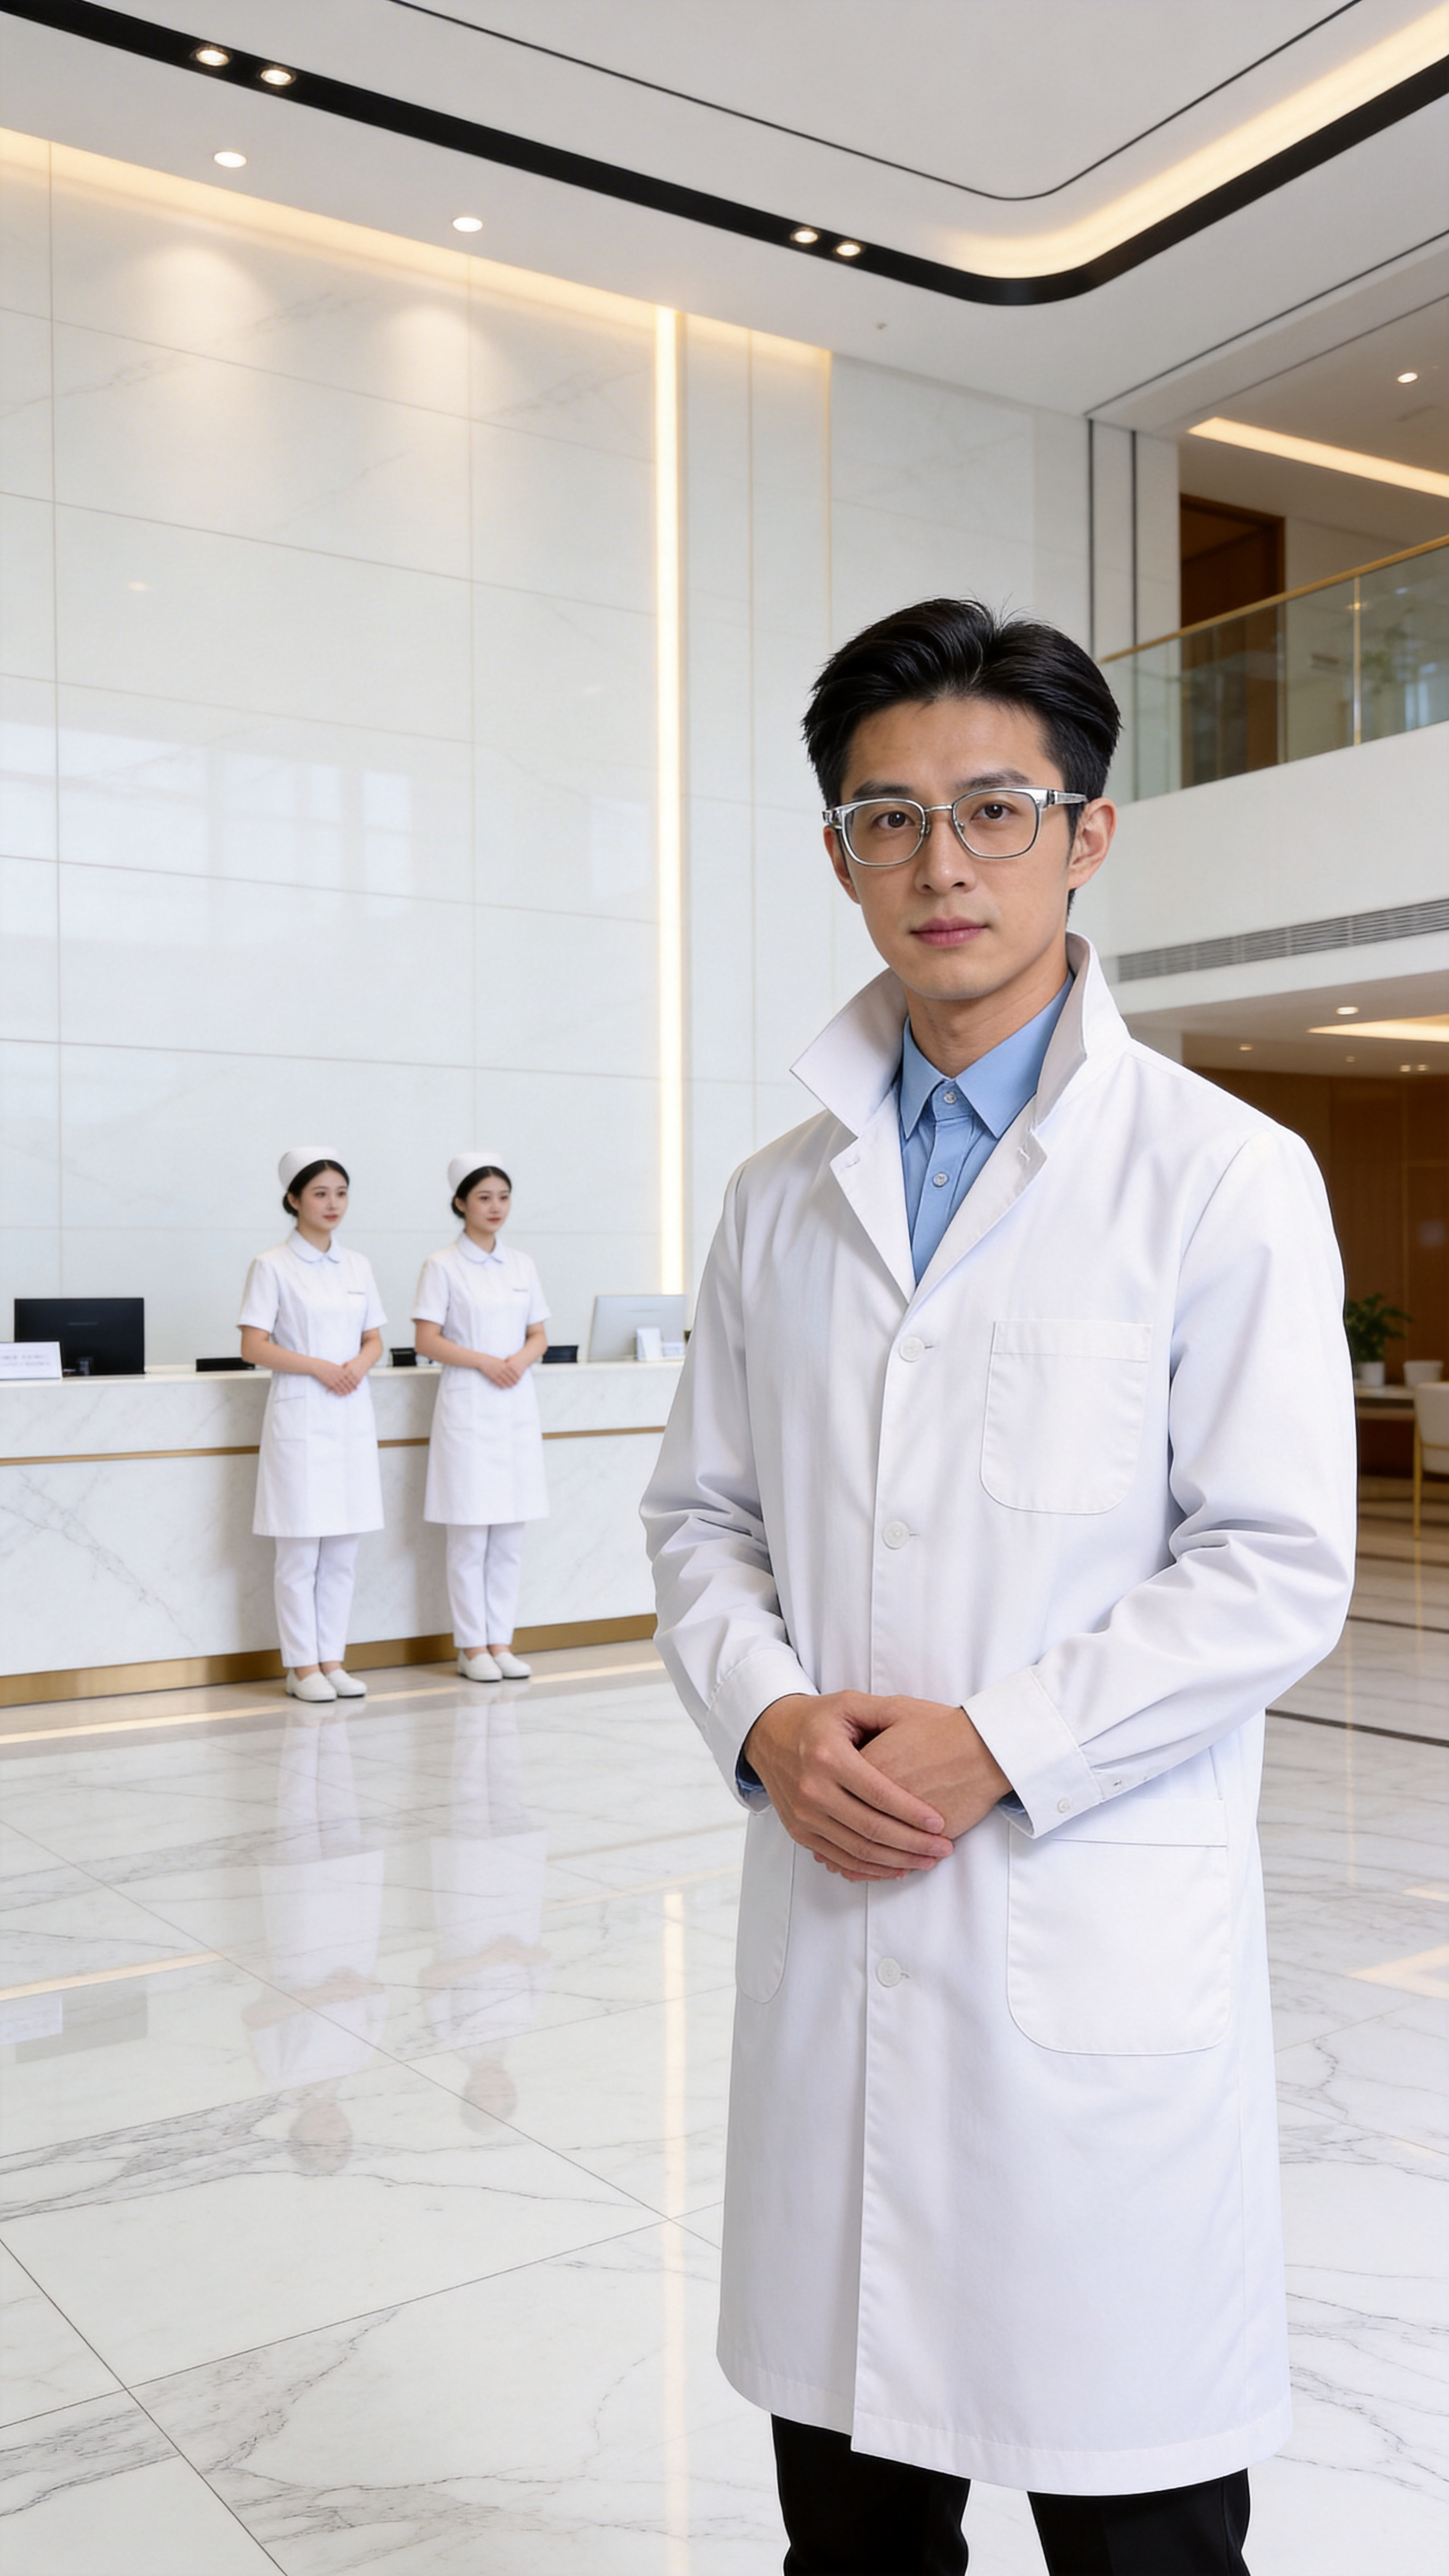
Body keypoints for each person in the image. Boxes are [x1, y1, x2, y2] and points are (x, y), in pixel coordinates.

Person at [642, 599, 1356, 2576]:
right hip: (839, 1930)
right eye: (888, 817)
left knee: (1141, 2536)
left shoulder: (1218, 1173)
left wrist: (1002, 1745)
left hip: (1084, 1935)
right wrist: (773, 1717)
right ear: (839, 854)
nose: (940, 862)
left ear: (1086, 833)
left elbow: (1276, 1559)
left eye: (993, 808)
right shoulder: (775, 1199)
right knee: (853, 2535)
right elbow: (700, 1516)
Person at [240, 1150, 385, 1705]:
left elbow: (374, 1338)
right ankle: (302, 1667)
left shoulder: (358, 1266)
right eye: (321, 1193)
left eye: (341, 1193)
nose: (333, 1203)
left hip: (350, 1413)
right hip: (301, 1413)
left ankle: (332, 1661)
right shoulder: (271, 1265)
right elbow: (253, 1345)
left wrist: (358, 1365)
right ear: (294, 1199)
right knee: (300, 1552)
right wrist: (322, 1367)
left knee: (343, 1550)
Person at [413, 1158, 550, 1682]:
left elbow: (538, 1333)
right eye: (485, 1198)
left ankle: (501, 1642)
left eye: (504, 1197)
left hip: (514, 1405)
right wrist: (486, 1362)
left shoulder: (522, 1265)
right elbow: (427, 1339)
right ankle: (472, 1647)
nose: (496, 1207)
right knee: (470, 1537)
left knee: (509, 1536)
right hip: (468, 1404)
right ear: (460, 1203)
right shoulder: (442, 1265)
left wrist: (519, 1359)